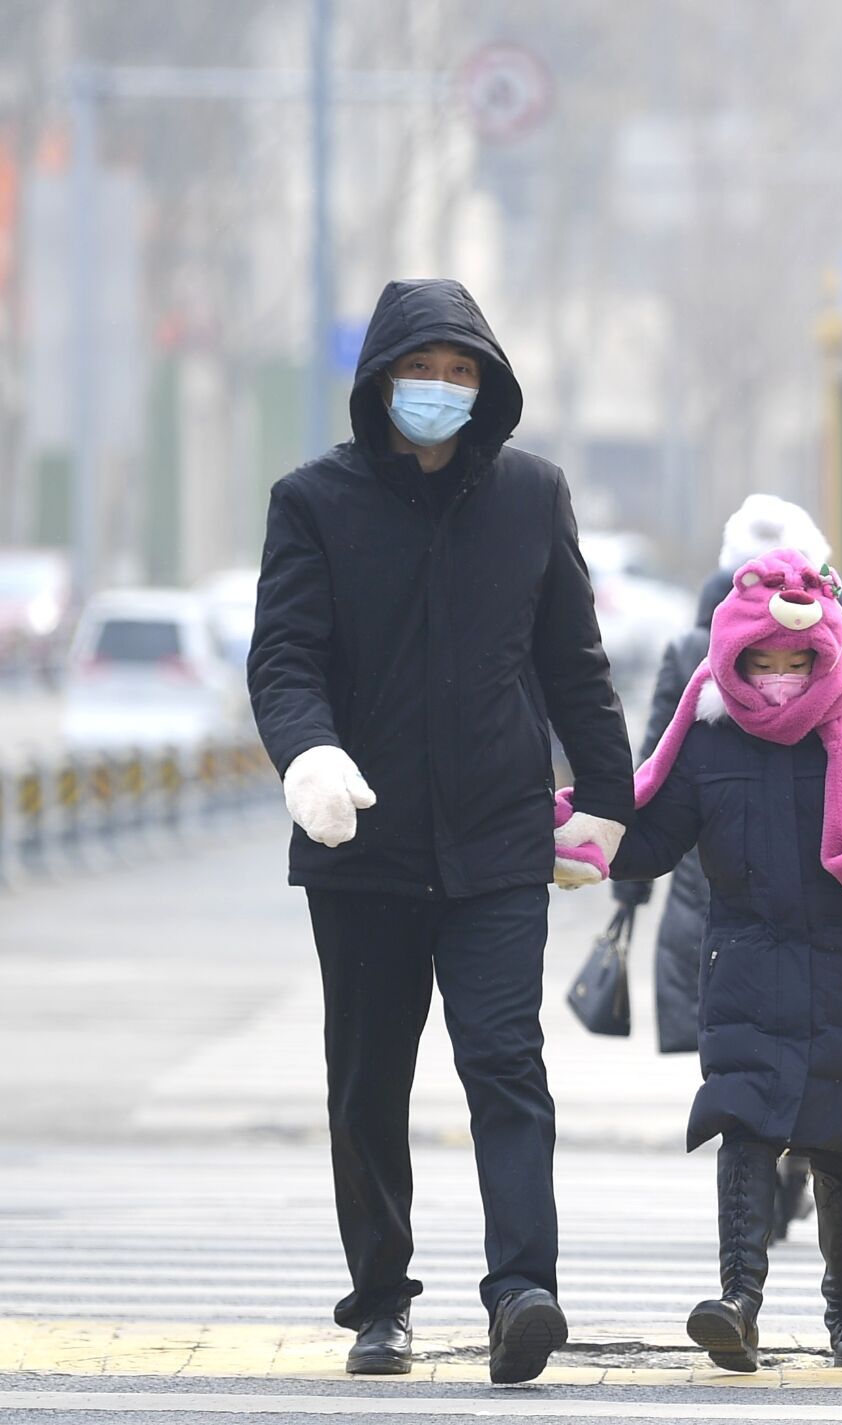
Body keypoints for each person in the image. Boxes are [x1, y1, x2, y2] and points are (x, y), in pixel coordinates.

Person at [248, 278, 633, 1382]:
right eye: (423, 371)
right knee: (368, 1076)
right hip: (358, 845)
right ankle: (380, 1300)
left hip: (499, 842)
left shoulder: (531, 495)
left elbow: (573, 664)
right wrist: (309, 756)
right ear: (381, 383)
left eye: (463, 373)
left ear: (489, 387)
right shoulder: (312, 501)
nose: (441, 391)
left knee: (506, 1062)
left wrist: (610, 801)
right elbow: (284, 659)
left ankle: (523, 1291)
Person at [581, 548, 842, 1373]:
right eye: (761, 662)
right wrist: (584, 841)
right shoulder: (706, 741)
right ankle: (738, 1301)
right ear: (730, 657)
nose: (778, 678)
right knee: (744, 1123)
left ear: (826, 653)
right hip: (742, 962)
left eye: (795, 661)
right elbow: (655, 837)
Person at [617, 494, 842, 1238]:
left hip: (716, 880)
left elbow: (653, 763)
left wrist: (632, 882)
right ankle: (770, 1182)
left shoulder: (695, 648)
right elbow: (659, 771)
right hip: (734, 880)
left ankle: (778, 1162)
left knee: (750, 1057)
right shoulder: (712, 655)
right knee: (754, 1058)